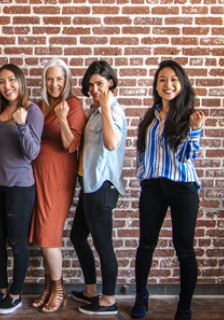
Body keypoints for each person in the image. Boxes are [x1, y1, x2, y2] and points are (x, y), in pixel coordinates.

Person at [132, 60, 204, 320]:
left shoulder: (189, 116)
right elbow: (142, 152)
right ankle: (141, 297)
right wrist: (143, 178)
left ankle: (184, 307)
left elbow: (186, 157)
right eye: (162, 79)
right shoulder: (149, 116)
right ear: (156, 85)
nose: (168, 84)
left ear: (182, 84)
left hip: (182, 187)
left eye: (173, 79)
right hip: (152, 187)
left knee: (184, 249)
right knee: (146, 245)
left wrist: (194, 131)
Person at [69, 60, 127, 316]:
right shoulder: (95, 110)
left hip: (103, 186)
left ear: (111, 82)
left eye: (100, 84)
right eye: (91, 84)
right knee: (77, 237)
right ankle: (91, 290)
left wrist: (104, 107)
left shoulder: (112, 111)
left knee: (104, 245)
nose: (94, 89)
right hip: (90, 184)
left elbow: (112, 143)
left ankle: (109, 300)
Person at [0, 64, 44, 315]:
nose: (6, 86)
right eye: (1, 81)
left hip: (20, 187)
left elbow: (32, 153)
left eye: (11, 80)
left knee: (17, 243)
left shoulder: (32, 111)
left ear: (20, 82)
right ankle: (3, 289)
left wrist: (21, 125)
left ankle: (17, 294)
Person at [29, 59, 86, 313]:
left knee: (50, 236)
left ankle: (59, 288)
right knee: (42, 235)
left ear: (67, 81)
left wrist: (62, 119)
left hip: (58, 178)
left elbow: (70, 144)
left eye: (59, 79)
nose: (54, 84)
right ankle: (49, 287)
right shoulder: (40, 105)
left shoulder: (72, 105)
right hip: (38, 178)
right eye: (50, 79)